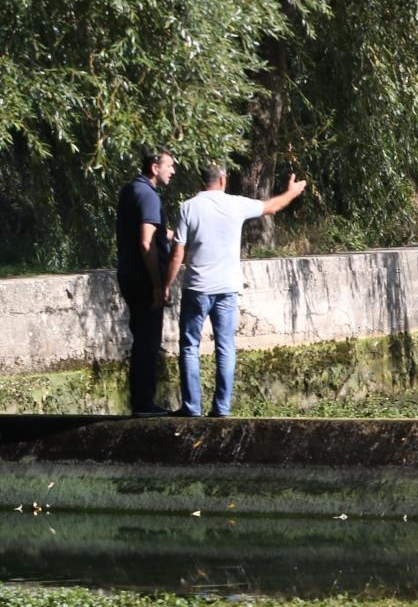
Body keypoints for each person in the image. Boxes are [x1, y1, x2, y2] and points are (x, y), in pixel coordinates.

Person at [163, 165, 307, 417]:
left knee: (189, 346)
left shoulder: (189, 207)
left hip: (197, 288)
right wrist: (292, 192)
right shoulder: (235, 204)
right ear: (223, 179)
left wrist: (165, 285)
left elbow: (178, 253)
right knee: (226, 346)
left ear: (202, 180)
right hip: (227, 288)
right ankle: (221, 408)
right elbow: (271, 207)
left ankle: (192, 407)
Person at [114, 145, 176, 416]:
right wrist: (157, 285)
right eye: (169, 165)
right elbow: (146, 242)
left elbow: (151, 232)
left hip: (128, 274)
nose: (172, 170)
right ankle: (144, 404)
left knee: (142, 337)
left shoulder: (131, 191)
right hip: (143, 279)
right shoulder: (149, 196)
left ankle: (141, 402)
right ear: (155, 167)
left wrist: (177, 235)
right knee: (148, 342)